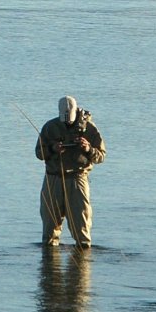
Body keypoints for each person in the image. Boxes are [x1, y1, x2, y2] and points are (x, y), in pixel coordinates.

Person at [36, 95, 106, 249]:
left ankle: (82, 264)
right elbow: (39, 153)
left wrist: (88, 149)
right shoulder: (49, 127)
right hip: (53, 179)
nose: (67, 120)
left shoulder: (90, 129)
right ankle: (50, 267)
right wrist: (52, 149)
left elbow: (101, 156)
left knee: (81, 225)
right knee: (49, 226)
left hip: (77, 179)